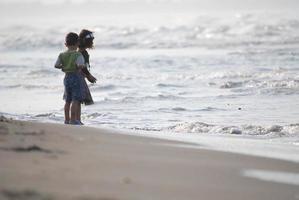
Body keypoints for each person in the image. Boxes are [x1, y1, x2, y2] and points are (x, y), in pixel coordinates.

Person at [54, 32, 85, 125]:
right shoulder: (78, 55)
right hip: (76, 77)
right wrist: (81, 66)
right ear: (78, 43)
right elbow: (80, 65)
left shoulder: (62, 55)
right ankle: (73, 119)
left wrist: (63, 67)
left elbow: (56, 65)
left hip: (67, 77)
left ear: (66, 44)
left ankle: (67, 119)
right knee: (75, 99)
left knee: (68, 100)